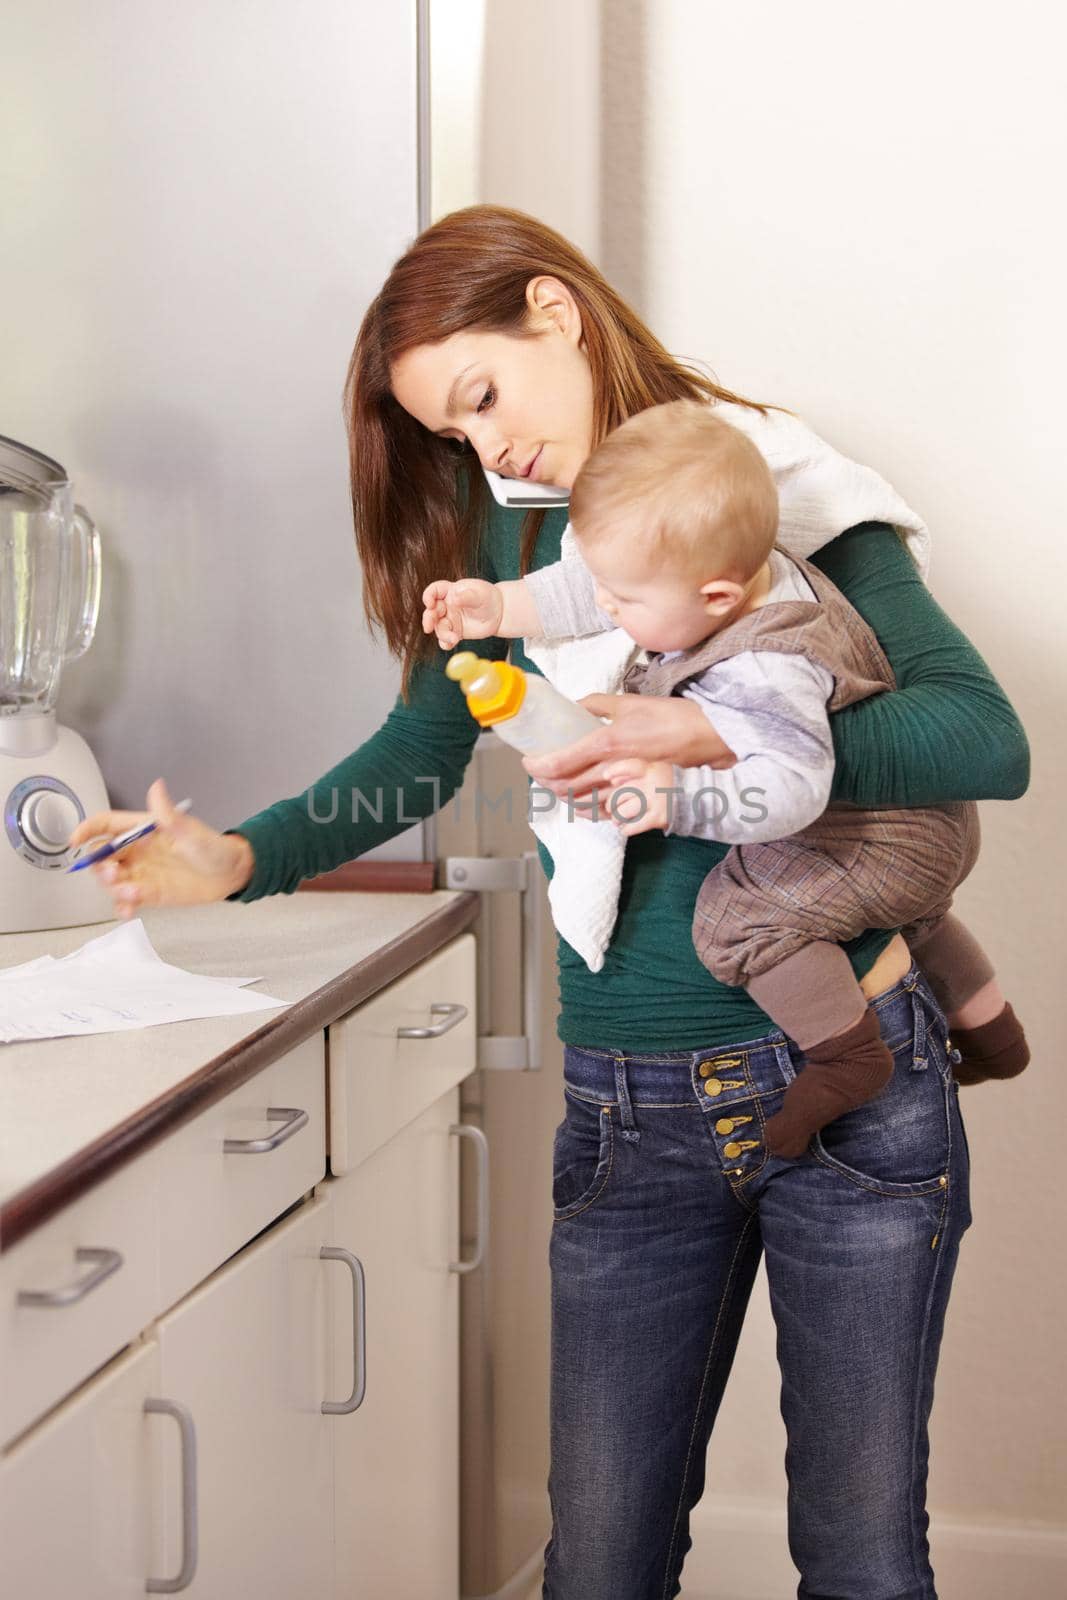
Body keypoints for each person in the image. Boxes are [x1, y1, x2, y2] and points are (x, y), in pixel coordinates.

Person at [70, 205, 1030, 1600]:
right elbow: (418, 752)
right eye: (451, 435)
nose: (485, 447)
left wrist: (709, 740)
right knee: (598, 1563)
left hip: (854, 1086)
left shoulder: (758, 488)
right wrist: (237, 858)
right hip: (627, 1109)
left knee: (860, 1558)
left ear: (553, 314)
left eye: (481, 397)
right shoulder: (507, 540)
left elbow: (978, 740)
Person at [422, 400, 1029, 1158]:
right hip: (922, 834)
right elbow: (584, 588)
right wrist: (498, 607)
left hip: (880, 839)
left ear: (714, 598)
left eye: (626, 601)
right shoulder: (717, 568)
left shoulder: (761, 664)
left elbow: (792, 794)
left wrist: (671, 800)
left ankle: (848, 1056)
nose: (605, 609)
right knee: (920, 913)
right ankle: (994, 1034)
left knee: (737, 915)